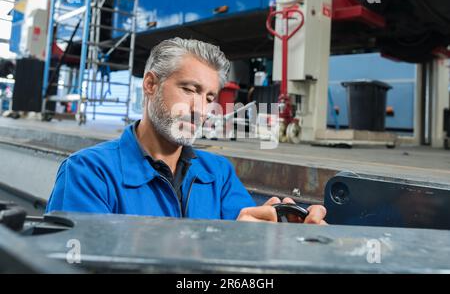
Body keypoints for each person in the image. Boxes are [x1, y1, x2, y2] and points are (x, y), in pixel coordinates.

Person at [46, 38, 327, 224]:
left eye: (208, 97)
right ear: (150, 85)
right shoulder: (88, 173)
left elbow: (245, 223)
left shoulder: (218, 174)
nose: (200, 110)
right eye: (189, 90)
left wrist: (280, 233)